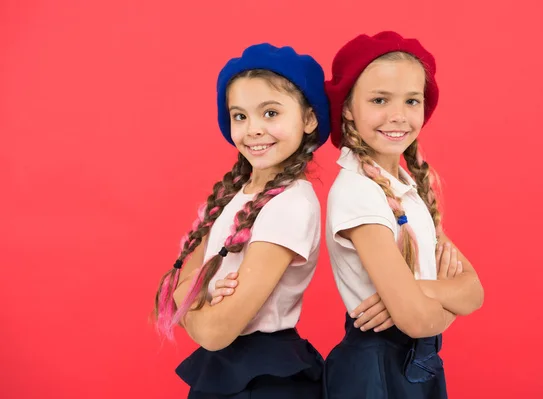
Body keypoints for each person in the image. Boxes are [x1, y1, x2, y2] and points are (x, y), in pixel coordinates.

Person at [154, 42, 330, 398]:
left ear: (308, 118)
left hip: (262, 378)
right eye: (240, 116)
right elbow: (184, 282)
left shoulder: (290, 205)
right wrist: (195, 296)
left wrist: (188, 296)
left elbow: (216, 331)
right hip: (229, 370)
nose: (253, 129)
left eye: (270, 113)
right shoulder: (235, 195)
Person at [323, 31, 485, 398]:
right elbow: (416, 319)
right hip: (376, 370)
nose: (398, 116)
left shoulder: (404, 187)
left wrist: (413, 293)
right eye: (379, 100)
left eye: (412, 101)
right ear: (348, 107)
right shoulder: (358, 192)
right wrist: (439, 300)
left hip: (416, 362)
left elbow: (475, 292)